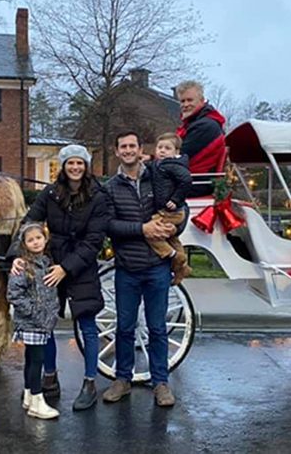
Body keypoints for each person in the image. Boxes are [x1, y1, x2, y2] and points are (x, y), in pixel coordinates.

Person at [11, 144, 109, 411]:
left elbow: (93, 241)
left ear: (86, 166)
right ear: (63, 167)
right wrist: (18, 255)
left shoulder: (98, 197)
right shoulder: (52, 193)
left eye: (80, 163)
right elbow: (30, 222)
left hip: (81, 266)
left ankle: (89, 383)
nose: (75, 168)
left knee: (87, 326)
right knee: (46, 324)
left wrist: (66, 267)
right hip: (51, 263)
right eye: (70, 163)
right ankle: (50, 377)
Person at [101, 131, 177, 407]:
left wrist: (174, 226)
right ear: (117, 151)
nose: (128, 150)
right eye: (123, 146)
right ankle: (123, 379)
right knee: (124, 327)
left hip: (157, 265)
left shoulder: (158, 177)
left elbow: (179, 206)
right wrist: (142, 229)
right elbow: (110, 225)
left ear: (140, 149)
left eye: (132, 145)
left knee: (157, 328)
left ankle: (161, 383)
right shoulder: (110, 187)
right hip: (128, 267)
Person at [7, 222, 60, 420]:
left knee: (31, 359)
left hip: (42, 321)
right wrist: (34, 312)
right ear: (24, 244)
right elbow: (14, 294)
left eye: (38, 238)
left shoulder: (45, 262)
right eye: (30, 240)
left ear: (45, 239)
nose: (36, 242)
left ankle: (29, 394)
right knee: (36, 360)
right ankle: (37, 401)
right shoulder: (22, 266)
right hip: (33, 322)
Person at [148, 132, 193, 286]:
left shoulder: (173, 165)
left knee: (151, 232)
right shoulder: (159, 164)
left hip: (171, 211)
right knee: (172, 238)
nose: (162, 150)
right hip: (166, 209)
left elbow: (186, 180)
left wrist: (175, 199)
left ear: (176, 152)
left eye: (167, 148)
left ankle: (174, 256)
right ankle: (183, 268)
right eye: (159, 147)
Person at [175, 80, 227, 197]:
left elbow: (180, 156)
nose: (185, 104)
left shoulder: (204, 126)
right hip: (192, 180)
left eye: (190, 100)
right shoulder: (197, 123)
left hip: (195, 184)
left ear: (202, 100)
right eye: (182, 101)